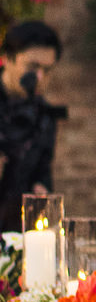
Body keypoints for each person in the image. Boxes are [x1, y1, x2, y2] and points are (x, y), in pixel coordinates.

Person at [0, 19, 65, 235]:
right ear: (8, 58)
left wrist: (42, 191)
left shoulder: (45, 115)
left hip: (18, 241)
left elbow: (43, 174)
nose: (40, 78)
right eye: (32, 67)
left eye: (47, 70)